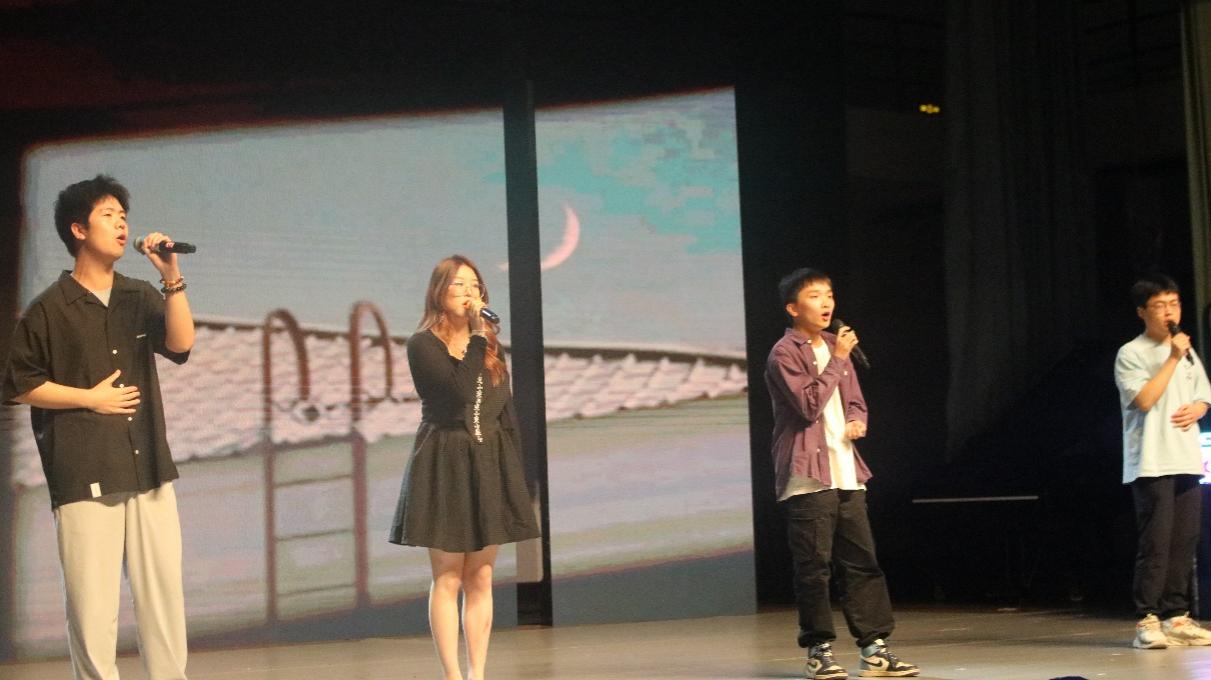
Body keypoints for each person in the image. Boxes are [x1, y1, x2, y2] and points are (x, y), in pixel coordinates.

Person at [1, 175, 195, 679]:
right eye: (108, 215)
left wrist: (171, 277)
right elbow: (20, 384)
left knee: (163, 600)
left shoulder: (137, 294)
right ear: (78, 229)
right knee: (92, 608)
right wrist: (89, 398)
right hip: (84, 468)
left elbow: (180, 344)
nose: (121, 223)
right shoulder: (48, 308)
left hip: (148, 466)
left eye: (123, 215)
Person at [389, 255, 541, 680]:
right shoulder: (422, 344)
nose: (468, 292)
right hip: (445, 459)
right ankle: (452, 676)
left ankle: (478, 674)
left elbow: (503, 408)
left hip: (489, 459)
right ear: (439, 292)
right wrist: (476, 338)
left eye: (474, 285)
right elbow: (457, 396)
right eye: (458, 284)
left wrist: (516, 474)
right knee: (448, 576)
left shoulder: (489, 347)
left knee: (482, 574)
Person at [764, 268, 918, 679]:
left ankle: (874, 649)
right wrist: (838, 359)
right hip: (807, 474)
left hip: (846, 470)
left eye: (829, 295)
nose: (826, 303)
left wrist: (856, 419)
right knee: (814, 567)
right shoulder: (784, 353)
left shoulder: (837, 346)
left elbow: (854, 400)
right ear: (793, 308)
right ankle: (819, 650)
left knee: (862, 562)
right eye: (815, 296)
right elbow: (808, 406)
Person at [1114, 274, 1211, 649]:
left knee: (1184, 541)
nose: (1170, 312)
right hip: (1152, 462)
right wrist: (1171, 357)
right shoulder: (1131, 353)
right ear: (1143, 312)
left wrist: (1199, 407)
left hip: (1186, 457)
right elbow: (1144, 399)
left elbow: (1203, 393)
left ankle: (1177, 616)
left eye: (1174, 304)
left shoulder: (1187, 351)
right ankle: (1147, 619)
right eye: (1160, 305)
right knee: (1156, 542)